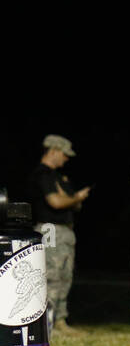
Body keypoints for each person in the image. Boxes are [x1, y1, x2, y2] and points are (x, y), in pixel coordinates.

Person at [29, 134, 90, 333]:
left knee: (65, 275)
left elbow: (70, 202)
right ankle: (46, 323)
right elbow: (56, 202)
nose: (66, 158)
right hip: (49, 228)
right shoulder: (43, 174)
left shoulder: (58, 176)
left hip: (64, 230)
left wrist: (71, 199)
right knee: (51, 275)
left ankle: (60, 320)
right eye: (64, 154)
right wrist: (75, 197)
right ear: (53, 150)